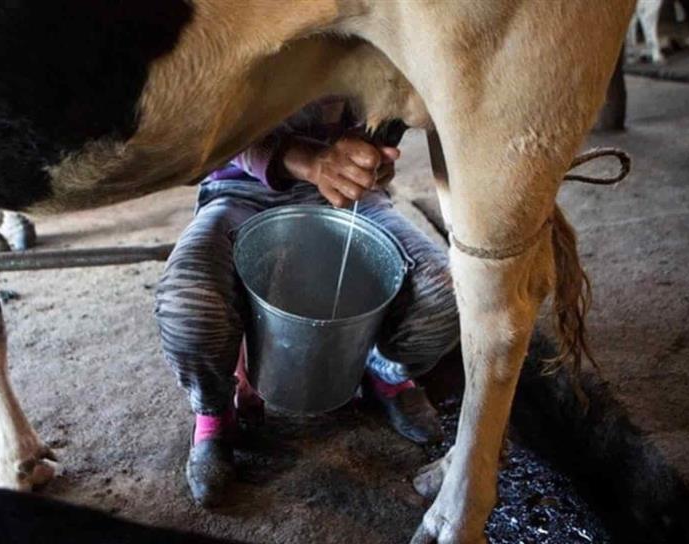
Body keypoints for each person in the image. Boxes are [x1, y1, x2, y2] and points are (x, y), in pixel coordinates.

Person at [154, 97, 460, 507]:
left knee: (445, 292)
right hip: (238, 189)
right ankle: (214, 409)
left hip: (348, 195)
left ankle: (381, 366)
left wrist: (368, 157)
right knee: (187, 307)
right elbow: (199, 128)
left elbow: (385, 103)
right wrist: (309, 160)